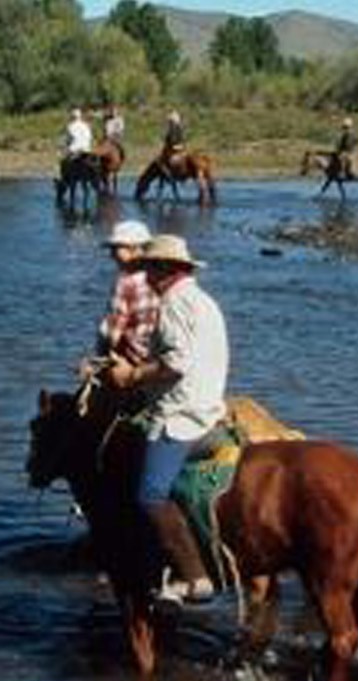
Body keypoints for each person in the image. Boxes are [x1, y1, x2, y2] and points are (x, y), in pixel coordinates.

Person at [104, 234, 226, 605]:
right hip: (209, 403)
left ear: (165, 270)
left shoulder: (173, 303)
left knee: (150, 495)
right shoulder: (202, 301)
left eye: (149, 269)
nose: (145, 278)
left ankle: (195, 577)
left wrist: (131, 376)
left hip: (182, 415)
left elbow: (177, 363)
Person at [95, 220, 156, 367]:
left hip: (133, 357)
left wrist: (102, 359)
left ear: (134, 249)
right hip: (154, 354)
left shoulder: (125, 282)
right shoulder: (158, 277)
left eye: (116, 249)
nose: (112, 255)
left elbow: (113, 333)